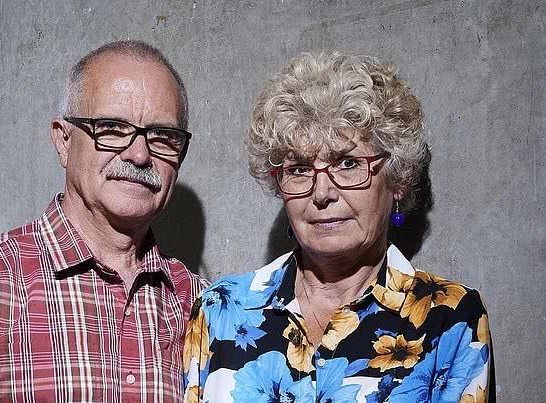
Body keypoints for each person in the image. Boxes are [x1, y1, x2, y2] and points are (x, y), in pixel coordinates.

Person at [183, 51, 493, 402]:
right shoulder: (220, 309)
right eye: (299, 169)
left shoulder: (450, 318)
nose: (322, 193)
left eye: (347, 163)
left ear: (397, 179)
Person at [0, 40, 206, 401]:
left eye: (162, 135)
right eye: (112, 127)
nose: (139, 154)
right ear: (63, 141)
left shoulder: (201, 304)